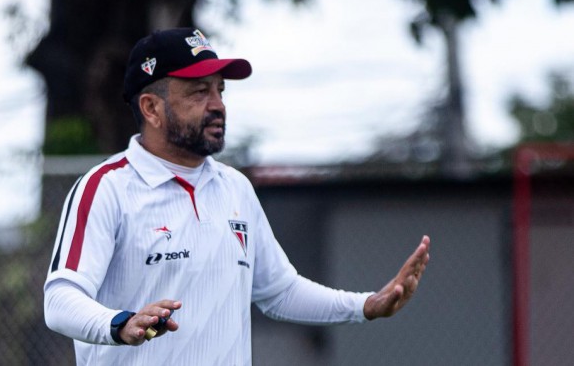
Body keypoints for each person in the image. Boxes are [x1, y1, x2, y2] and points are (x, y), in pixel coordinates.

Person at [43, 27, 431, 365]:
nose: (218, 105)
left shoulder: (235, 188)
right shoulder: (106, 188)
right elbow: (60, 299)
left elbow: (279, 291)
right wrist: (120, 323)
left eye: (220, 90)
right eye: (199, 92)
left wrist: (364, 306)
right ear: (151, 108)